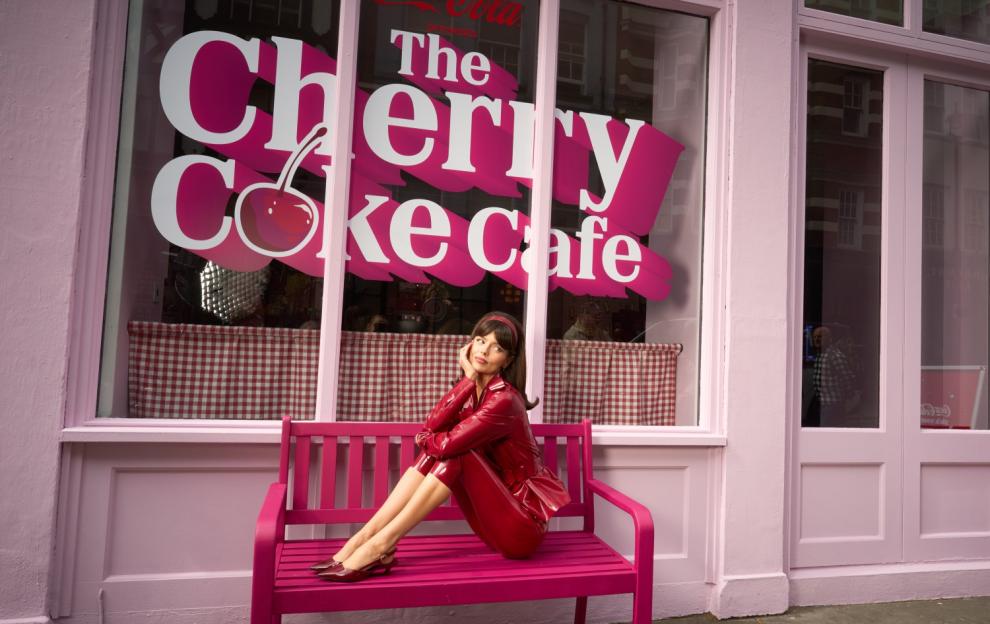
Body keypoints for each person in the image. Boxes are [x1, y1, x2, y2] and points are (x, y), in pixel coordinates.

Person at [312, 312, 571, 582]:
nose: (484, 350)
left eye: (497, 347)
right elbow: (434, 424)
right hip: (492, 524)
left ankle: (380, 545)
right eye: (481, 340)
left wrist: (426, 438)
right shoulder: (472, 393)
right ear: (470, 344)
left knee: (457, 454)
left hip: (522, 529)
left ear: (508, 360)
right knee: (443, 453)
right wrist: (467, 381)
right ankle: (366, 537)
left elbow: (439, 440)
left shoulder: (506, 400)